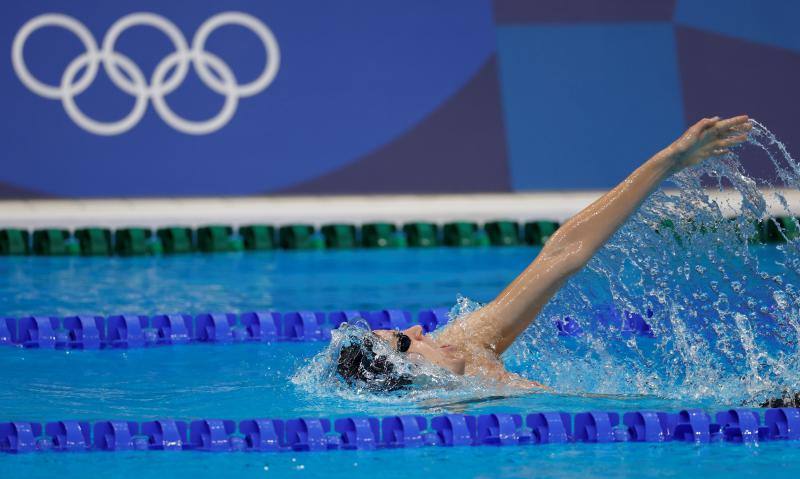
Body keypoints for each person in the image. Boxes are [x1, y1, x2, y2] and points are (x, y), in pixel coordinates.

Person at [337, 115, 753, 392]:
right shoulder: (436, 424)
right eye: (404, 345)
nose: (416, 329)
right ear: (402, 375)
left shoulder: (465, 344)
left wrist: (667, 162)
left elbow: (563, 254)